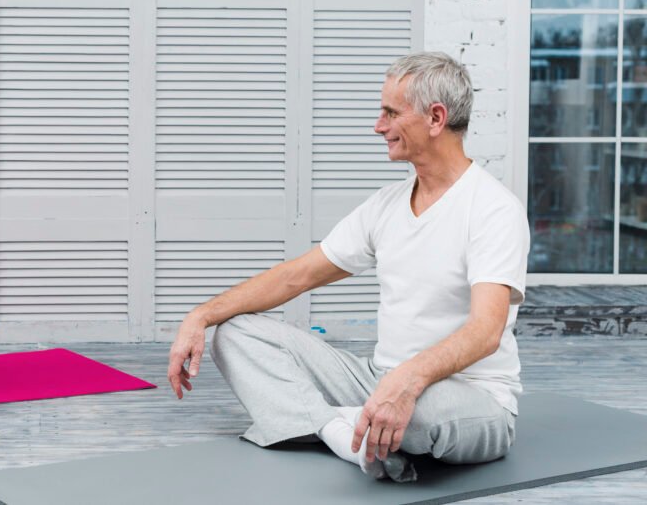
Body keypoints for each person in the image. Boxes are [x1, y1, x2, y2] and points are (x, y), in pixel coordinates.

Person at [167, 52, 530, 482]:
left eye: (391, 113)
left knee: (417, 418)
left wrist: (408, 381)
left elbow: (485, 332)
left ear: (435, 118)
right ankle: (342, 434)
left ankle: (325, 419)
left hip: (471, 400)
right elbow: (296, 276)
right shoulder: (386, 205)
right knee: (235, 334)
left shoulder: (493, 210)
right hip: (379, 380)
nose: (379, 126)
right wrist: (201, 315)